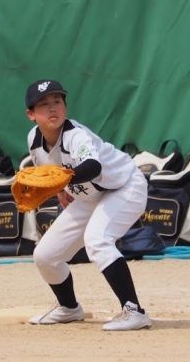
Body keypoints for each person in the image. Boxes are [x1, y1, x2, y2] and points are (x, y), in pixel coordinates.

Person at [23, 79, 150, 330]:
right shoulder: (34, 140)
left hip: (125, 187)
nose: (52, 108)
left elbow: (92, 167)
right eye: (44, 104)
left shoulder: (75, 134)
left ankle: (135, 311)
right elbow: (51, 171)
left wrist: (62, 182)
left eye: (57, 101)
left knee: (98, 239)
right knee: (46, 255)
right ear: (31, 115)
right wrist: (60, 190)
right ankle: (69, 308)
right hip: (89, 196)